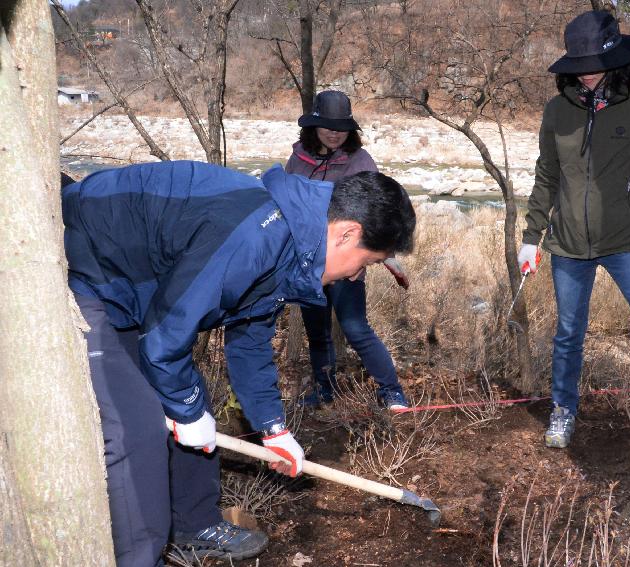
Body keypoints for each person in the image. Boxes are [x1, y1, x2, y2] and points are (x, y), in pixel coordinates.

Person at [62, 161, 416, 565]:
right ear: (346, 233)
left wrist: (272, 428)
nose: (356, 277)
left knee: (190, 407)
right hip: (85, 271)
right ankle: (140, 558)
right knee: (137, 428)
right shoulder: (254, 234)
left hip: (133, 294)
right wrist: (185, 408)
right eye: (367, 262)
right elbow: (165, 337)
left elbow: (250, 338)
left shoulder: (290, 240)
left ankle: (194, 527)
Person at [517, 10, 630, 449]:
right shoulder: (557, 111)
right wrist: (532, 237)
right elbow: (547, 175)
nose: (587, 75)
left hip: (629, 240)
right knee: (568, 332)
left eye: (595, 65)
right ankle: (563, 410)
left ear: (616, 62)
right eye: (580, 66)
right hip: (568, 243)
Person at [285, 90, 411, 410]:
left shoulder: (360, 161)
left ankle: (391, 391)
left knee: (356, 328)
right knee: (317, 331)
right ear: (313, 125)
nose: (334, 132)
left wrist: (389, 260)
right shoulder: (298, 159)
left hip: (347, 263)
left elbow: (377, 212)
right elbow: (287, 206)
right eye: (327, 125)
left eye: (341, 126)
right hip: (308, 262)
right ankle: (324, 390)